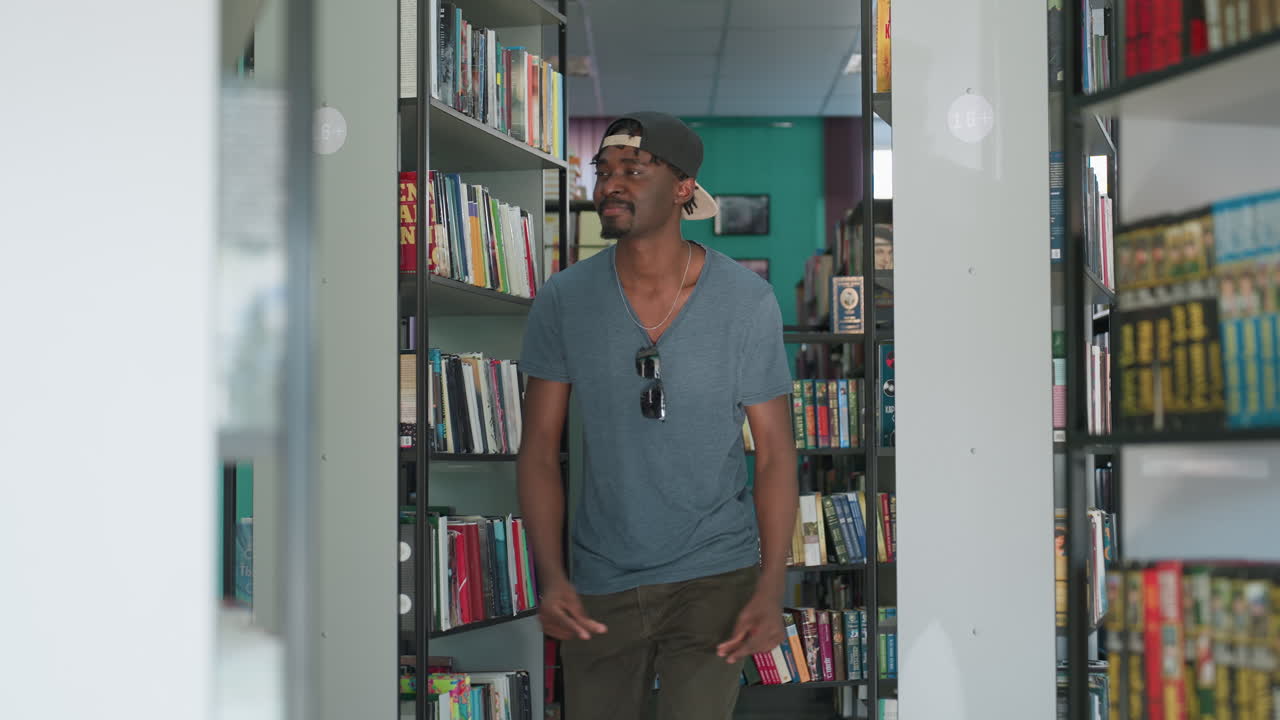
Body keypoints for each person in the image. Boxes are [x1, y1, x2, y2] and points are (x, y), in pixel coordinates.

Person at [516, 112, 799, 720]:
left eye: (633, 170)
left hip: (714, 573)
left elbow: (775, 453)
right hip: (601, 577)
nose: (611, 184)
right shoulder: (564, 300)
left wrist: (771, 587)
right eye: (604, 170)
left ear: (681, 189)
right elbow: (539, 448)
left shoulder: (746, 302)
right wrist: (553, 576)